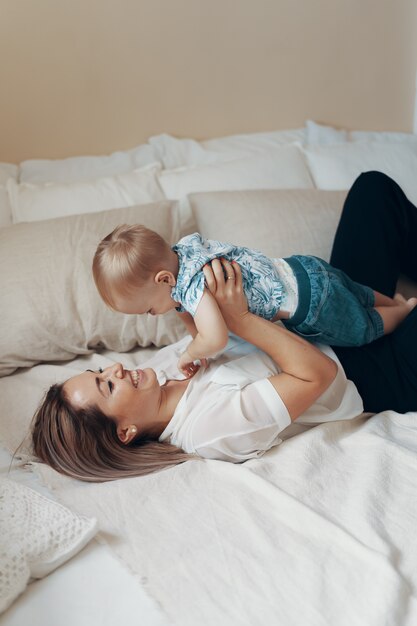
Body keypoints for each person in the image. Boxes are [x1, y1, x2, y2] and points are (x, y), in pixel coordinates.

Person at [31, 171, 417, 483]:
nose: (114, 368)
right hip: (374, 370)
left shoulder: (164, 372)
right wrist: (242, 319)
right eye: (107, 385)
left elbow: (206, 334)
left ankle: (386, 303)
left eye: (99, 371)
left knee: (373, 190)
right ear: (125, 432)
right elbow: (319, 373)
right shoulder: (207, 430)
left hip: (324, 320)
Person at [92, 221, 417, 378]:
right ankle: (394, 301)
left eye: (148, 309)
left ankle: (403, 310)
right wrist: (193, 337)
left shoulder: (192, 287)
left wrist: (189, 353)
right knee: (357, 290)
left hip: (311, 306)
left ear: (164, 280)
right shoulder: (186, 251)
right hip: (303, 268)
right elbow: (191, 317)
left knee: (363, 326)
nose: (151, 315)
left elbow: (215, 336)